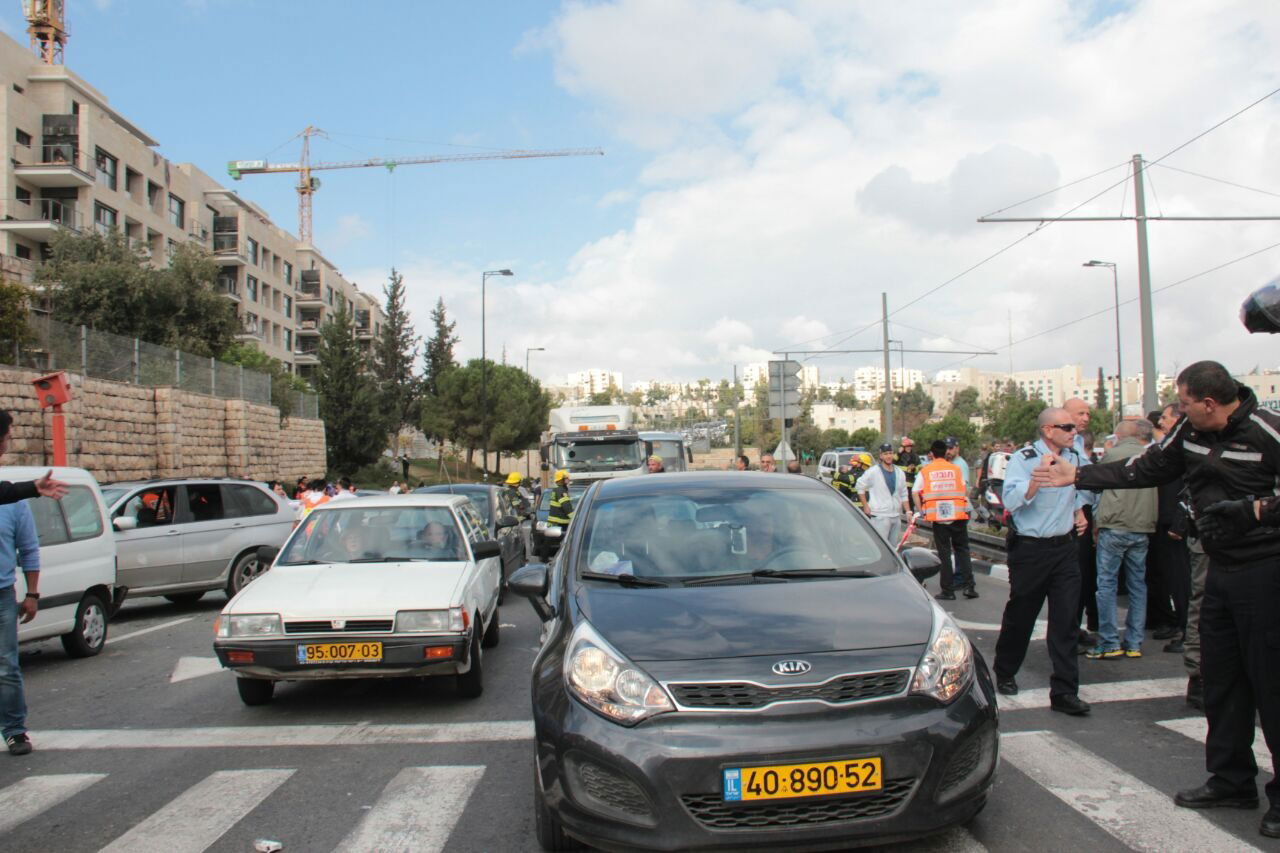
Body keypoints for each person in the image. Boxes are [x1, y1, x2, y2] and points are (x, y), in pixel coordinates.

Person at [1035, 361, 1280, 836]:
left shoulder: (1268, 430)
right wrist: (1079, 475)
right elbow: (1146, 467)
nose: (1176, 412)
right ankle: (1231, 780)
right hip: (1219, 569)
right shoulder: (1191, 430)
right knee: (1221, 680)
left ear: (1209, 402)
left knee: (1271, 685)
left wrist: (1256, 511)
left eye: (1184, 403)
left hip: (1266, 572)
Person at [992, 406, 1091, 716]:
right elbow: (1010, 501)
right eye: (1068, 427)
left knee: (1066, 621)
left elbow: (1084, 488)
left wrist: (1079, 509)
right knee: (1022, 615)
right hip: (1031, 551)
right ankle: (1005, 670)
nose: (1074, 432)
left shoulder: (1074, 457)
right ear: (1049, 430)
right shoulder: (1023, 459)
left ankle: (1064, 691)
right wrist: (1035, 482)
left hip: (1065, 550)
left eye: (1074, 427)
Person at [1085, 418, 1157, 660]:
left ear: (1118, 437)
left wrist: (1095, 525)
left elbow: (1097, 488)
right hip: (1142, 528)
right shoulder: (1150, 456)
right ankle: (1134, 643)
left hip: (1114, 526)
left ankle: (1109, 642)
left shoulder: (1112, 455)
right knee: (1138, 586)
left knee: (1107, 585)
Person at [0, 490, 40, 756]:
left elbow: (28, 548)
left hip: (2, 595)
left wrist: (32, 594)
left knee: (6, 665)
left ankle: (14, 730)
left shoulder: (14, 502)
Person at [914, 439, 975, 600]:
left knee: (945, 554)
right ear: (945, 452)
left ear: (932, 454)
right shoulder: (956, 469)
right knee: (963, 550)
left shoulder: (926, 471)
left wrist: (922, 512)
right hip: (958, 515)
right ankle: (969, 587)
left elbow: (915, 492)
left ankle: (948, 591)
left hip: (939, 518)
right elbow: (965, 489)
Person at [1064, 397, 1099, 652]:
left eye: (1088, 413)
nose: (1086, 418)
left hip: (1084, 513)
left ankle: (1074, 628)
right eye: (1080, 413)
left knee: (1083, 576)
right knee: (1073, 577)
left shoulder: (1077, 443)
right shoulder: (1062, 447)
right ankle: (1068, 633)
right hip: (1072, 515)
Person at [857, 443, 909, 545]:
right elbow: (860, 486)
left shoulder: (899, 472)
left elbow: (904, 493)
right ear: (881, 456)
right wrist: (865, 506)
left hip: (896, 516)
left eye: (890, 453)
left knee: (893, 548)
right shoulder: (873, 471)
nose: (888, 456)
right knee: (880, 546)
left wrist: (908, 511)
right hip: (880, 516)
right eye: (885, 454)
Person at [895, 437, 921, 511]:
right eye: (907, 446)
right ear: (903, 447)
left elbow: (919, 467)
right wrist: (898, 453)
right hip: (900, 481)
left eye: (910, 446)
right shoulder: (899, 455)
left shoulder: (915, 456)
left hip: (910, 482)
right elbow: (892, 462)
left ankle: (910, 512)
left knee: (910, 499)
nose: (909, 448)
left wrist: (914, 469)